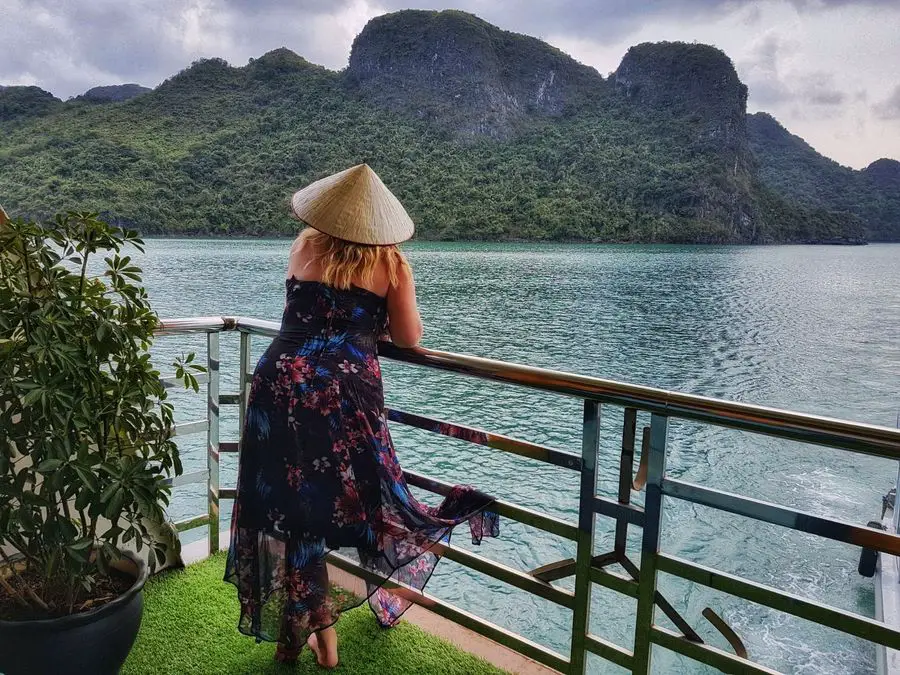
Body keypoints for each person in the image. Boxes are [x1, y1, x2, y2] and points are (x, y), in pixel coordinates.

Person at [224, 164, 499, 668]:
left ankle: (308, 633)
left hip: (277, 383)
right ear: (378, 225)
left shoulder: (302, 247)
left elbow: (303, 310)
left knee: (291, 510)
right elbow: (410, 337)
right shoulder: (391, 265)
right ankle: (322, 631)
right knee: (368, 499)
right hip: (341, 395)